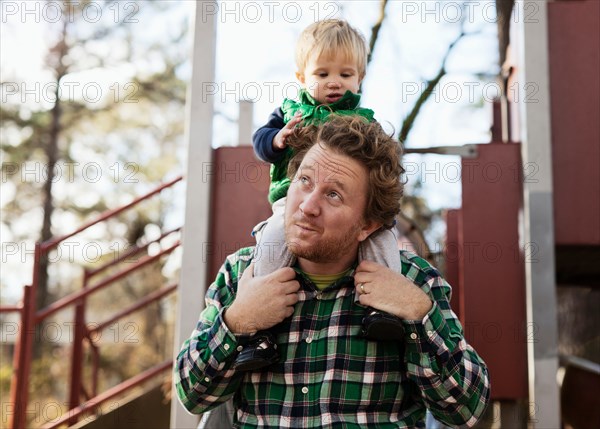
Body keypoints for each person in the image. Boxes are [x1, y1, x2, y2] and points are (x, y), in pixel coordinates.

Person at [175, 116, 491, 428]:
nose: (307, 206)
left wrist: (420, 315)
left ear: (367, 225)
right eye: (304, 181)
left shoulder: (414, 281)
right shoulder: (242, 273)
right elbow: (192, 396)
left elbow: (465, 409)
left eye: (333, 194)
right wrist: (237, 321)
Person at [245, 19, 403, 370]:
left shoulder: (363, 121)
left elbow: (382, 162)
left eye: (346, 75)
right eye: (323, 74)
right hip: (292, 199)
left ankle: (383, 307)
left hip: (350, 203)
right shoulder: (290, 113)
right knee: (272, 240)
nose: (335, 83)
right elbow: (261, 142)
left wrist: (382, 208)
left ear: (359, 78)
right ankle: (260, 332)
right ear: (301, 77)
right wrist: (275, 140)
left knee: (382, 237)